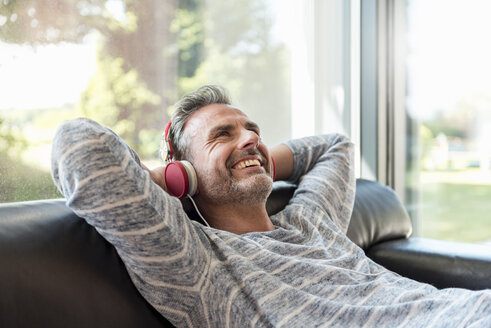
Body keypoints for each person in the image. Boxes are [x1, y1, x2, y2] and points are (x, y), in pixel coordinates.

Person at [51, 85, 490, 328]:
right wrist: (176, 179)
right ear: (182, 170)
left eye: (252, 130)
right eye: (222, 134)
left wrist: (250, 156)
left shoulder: (311, 222)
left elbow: (335, 147)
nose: (249, 137)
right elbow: (81, 149)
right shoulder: (198, 263)